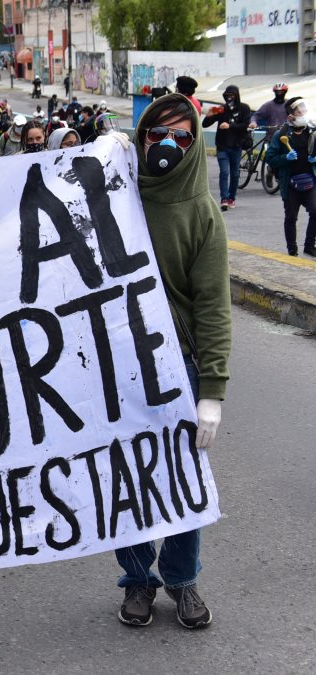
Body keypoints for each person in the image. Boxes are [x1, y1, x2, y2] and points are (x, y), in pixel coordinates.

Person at [113, 93, 229, 630]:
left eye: (182, 137)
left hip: (178, 367)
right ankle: (138, 579)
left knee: (183, 480)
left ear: (196, 145)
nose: (167, 146)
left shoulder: (202, 211)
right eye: (157, 135)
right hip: (117, 365)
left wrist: (212, 391)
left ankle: (182, 579)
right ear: (140, 139)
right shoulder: (113, 196)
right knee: (126, 479)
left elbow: (212, 305)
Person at [265, 97, 316, 257]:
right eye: (298, 110)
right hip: (290, 183)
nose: (303, 112)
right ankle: (292, 249)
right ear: (290, 116)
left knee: (315, 211)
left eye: (304, 108)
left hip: (310, 181)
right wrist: (285, 158)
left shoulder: (312, 131)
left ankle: (309, 245)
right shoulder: (281, 134)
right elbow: (270, 158)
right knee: (291, 217)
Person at [202, 85, 253, 211]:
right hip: (222, 146)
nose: (229, 98)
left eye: (232, 96)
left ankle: (231, 198)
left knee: (235, 174)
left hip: (236, 146)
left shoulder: (244, 108)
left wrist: (230, 126)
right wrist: (208, 115)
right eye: (227, 96)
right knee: (224, 172)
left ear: (237, 96)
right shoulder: (222, 109)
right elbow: (205, 124)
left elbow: (245, 125)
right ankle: (224, 198)